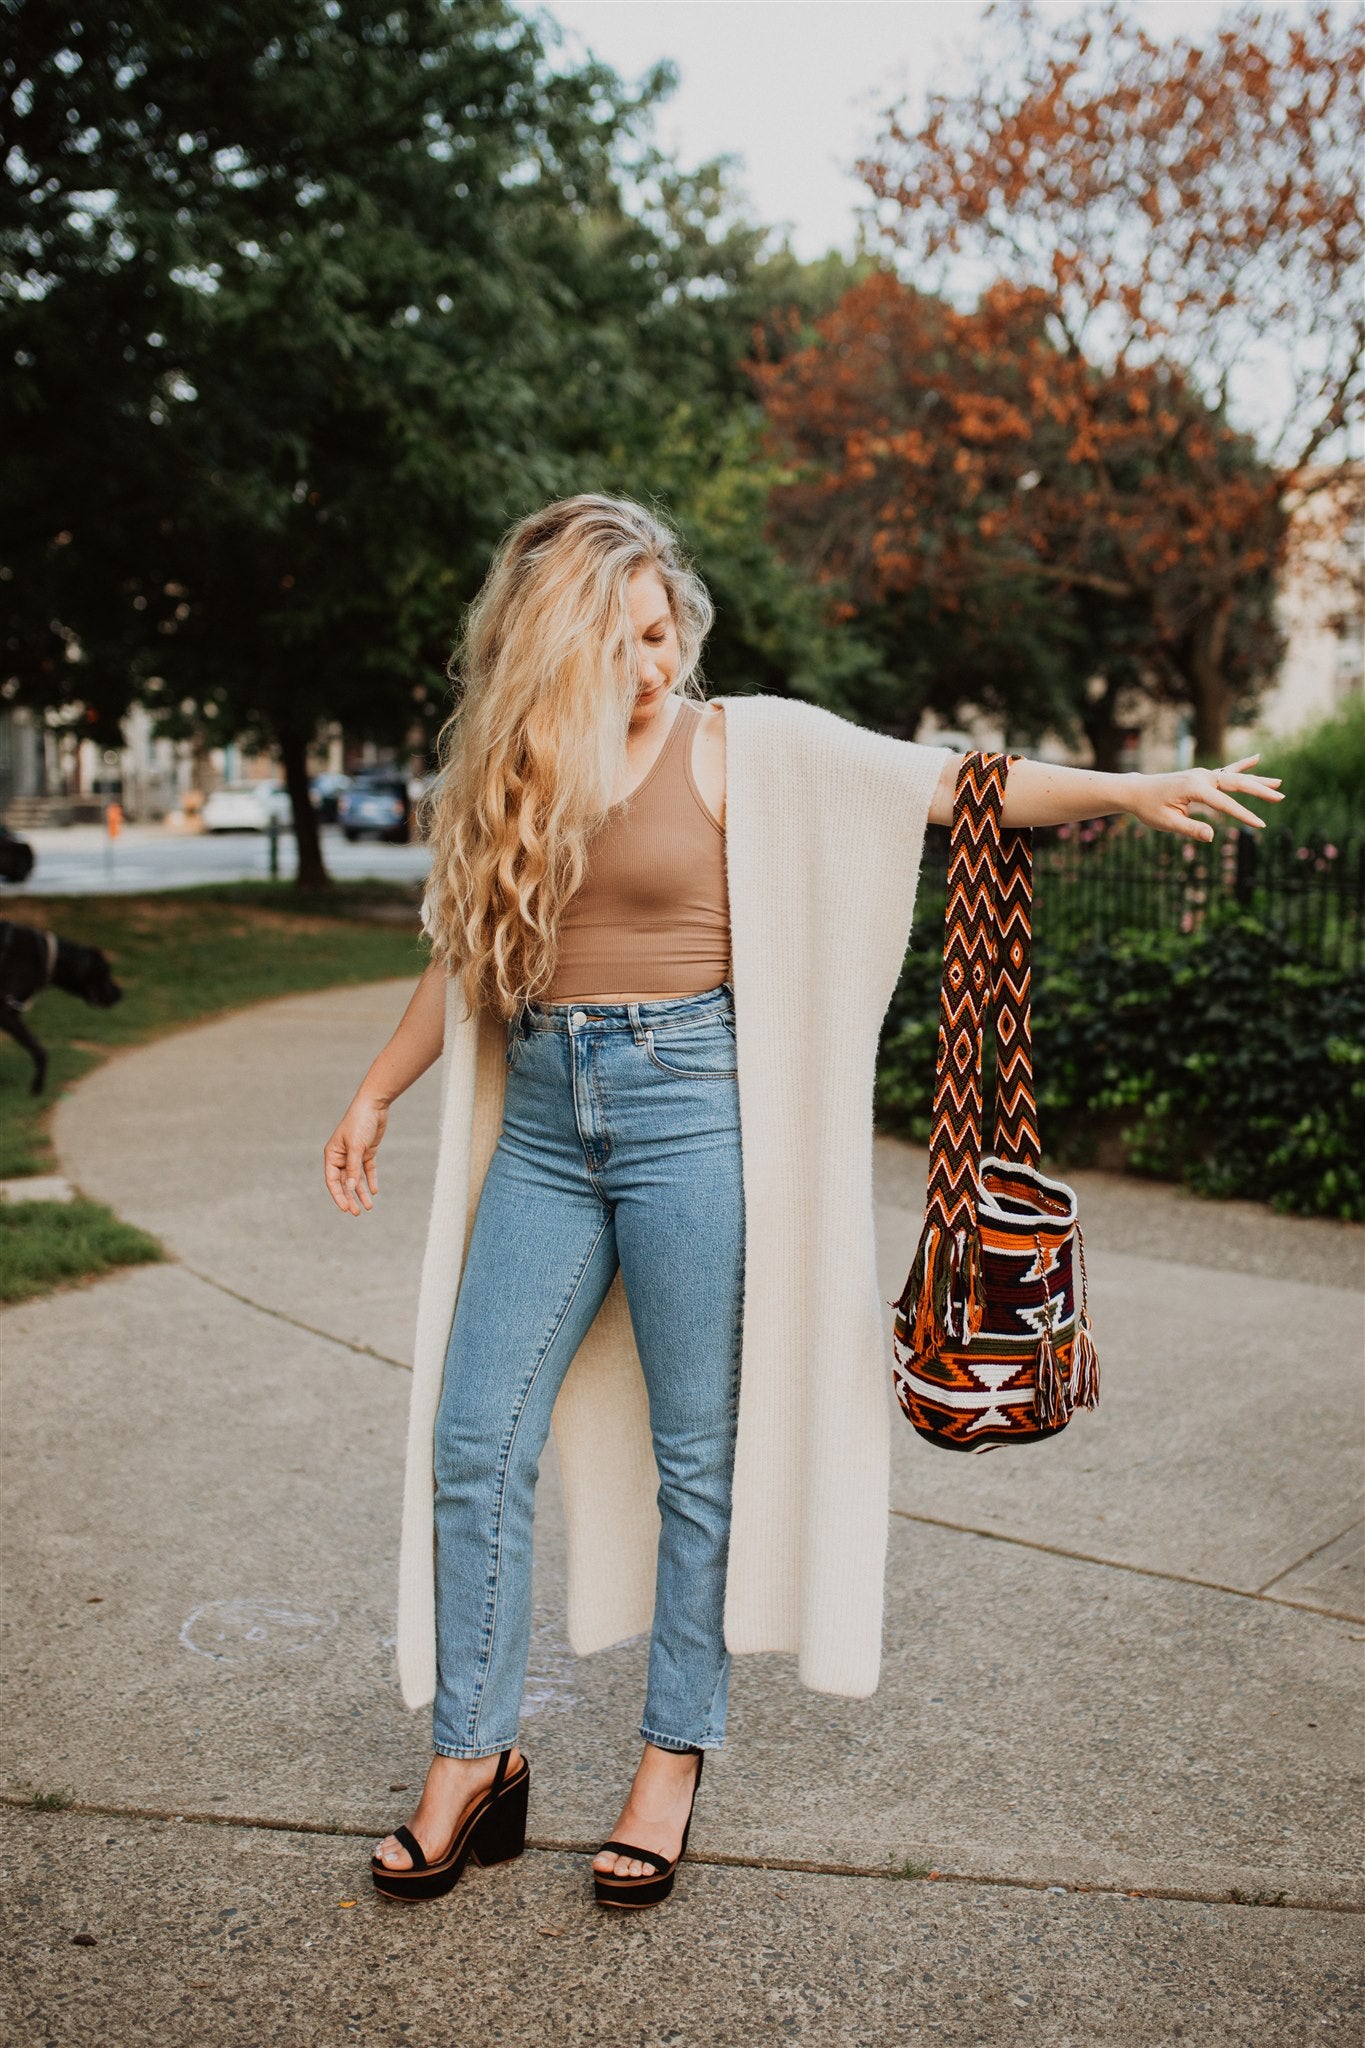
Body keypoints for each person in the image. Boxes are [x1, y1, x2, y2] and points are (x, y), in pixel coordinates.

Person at [323, 493, 1281, 1911]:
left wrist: (1129, 791)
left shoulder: (742, 746)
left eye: (662, 631)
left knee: (697, 1459)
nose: (652, 664)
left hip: (687, 1118)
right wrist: (378, 1089)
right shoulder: (514, 774)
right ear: (544, 651)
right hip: (539, 1123)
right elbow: (460, 954)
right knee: (476, 1441)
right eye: (618, 642)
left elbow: (944, 780)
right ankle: (474, 1759)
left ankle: (671, 1755)